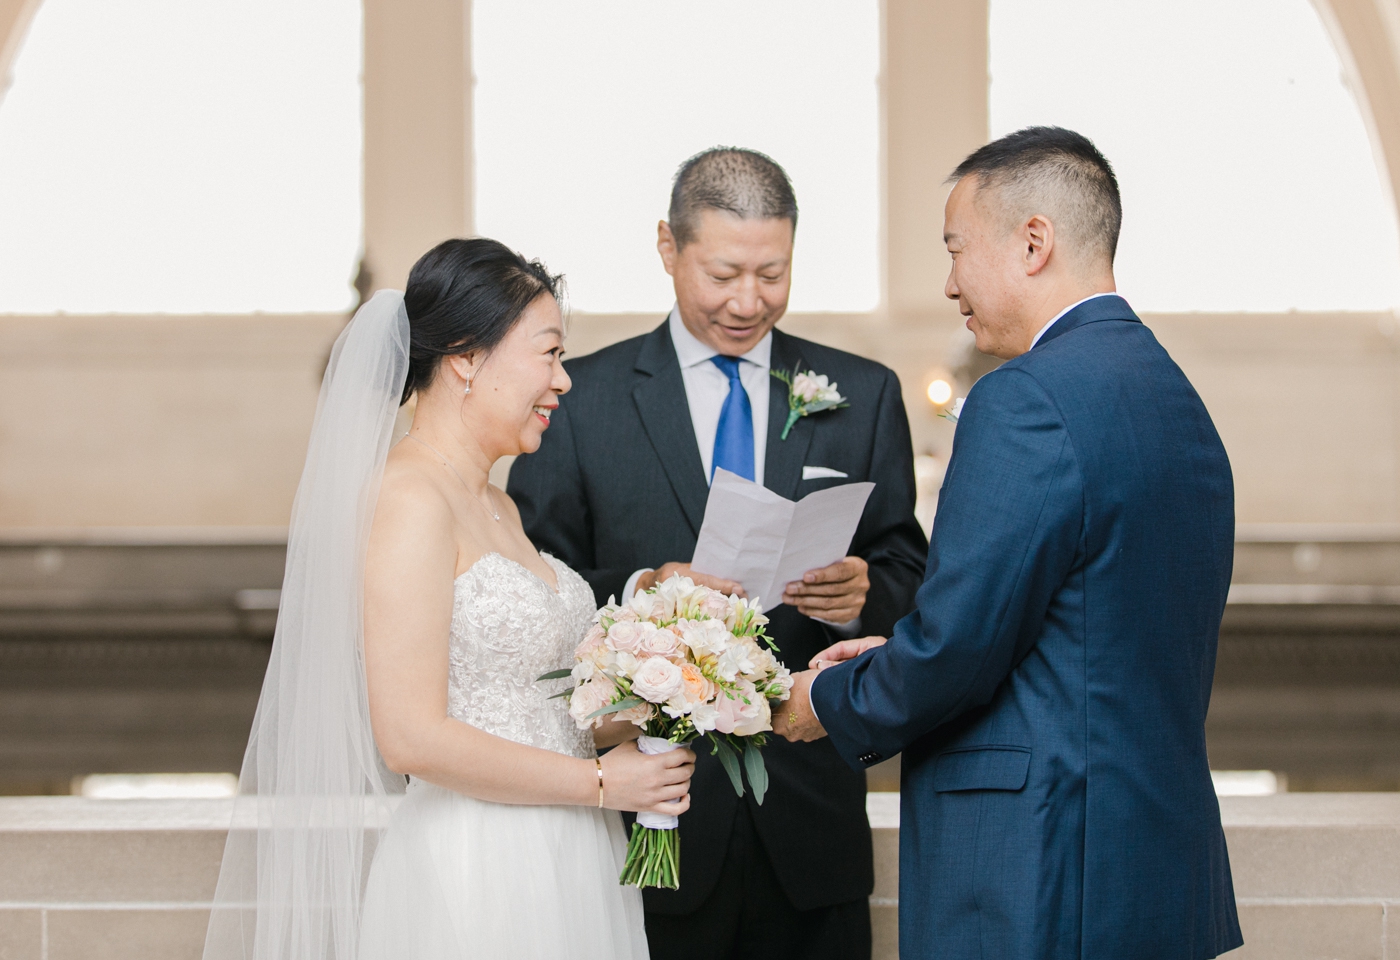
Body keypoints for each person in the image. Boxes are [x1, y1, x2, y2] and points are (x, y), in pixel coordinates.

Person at [775, 126, 1243, 959]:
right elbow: (1076, 628)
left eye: (956, 250)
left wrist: (825, 701)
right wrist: (895, 650)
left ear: (1034, 243)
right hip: (1156, 870)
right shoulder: (1177, 398)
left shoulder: (1022, 399)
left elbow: (960, 645)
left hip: (1043, 867)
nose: (949, 284)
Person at [203, 238, 694, 960]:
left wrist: (658, 699)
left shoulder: (501, 506)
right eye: (548, 353)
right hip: (479, 866)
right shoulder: (407, 498)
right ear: (466, 356)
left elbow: (535, 714)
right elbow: (410, 736)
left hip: (571, 852)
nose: (562, 382)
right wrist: (597, 782)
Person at [507, 147, 929, 960]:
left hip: (812, 820)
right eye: (723, 273)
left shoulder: (863, 393)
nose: (748, 301)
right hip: (654, 815)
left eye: (772, 274)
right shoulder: (580, 398)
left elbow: (911, 573)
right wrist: (640, 584)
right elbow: (535, 585)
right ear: (668, 248)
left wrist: (867, 590)